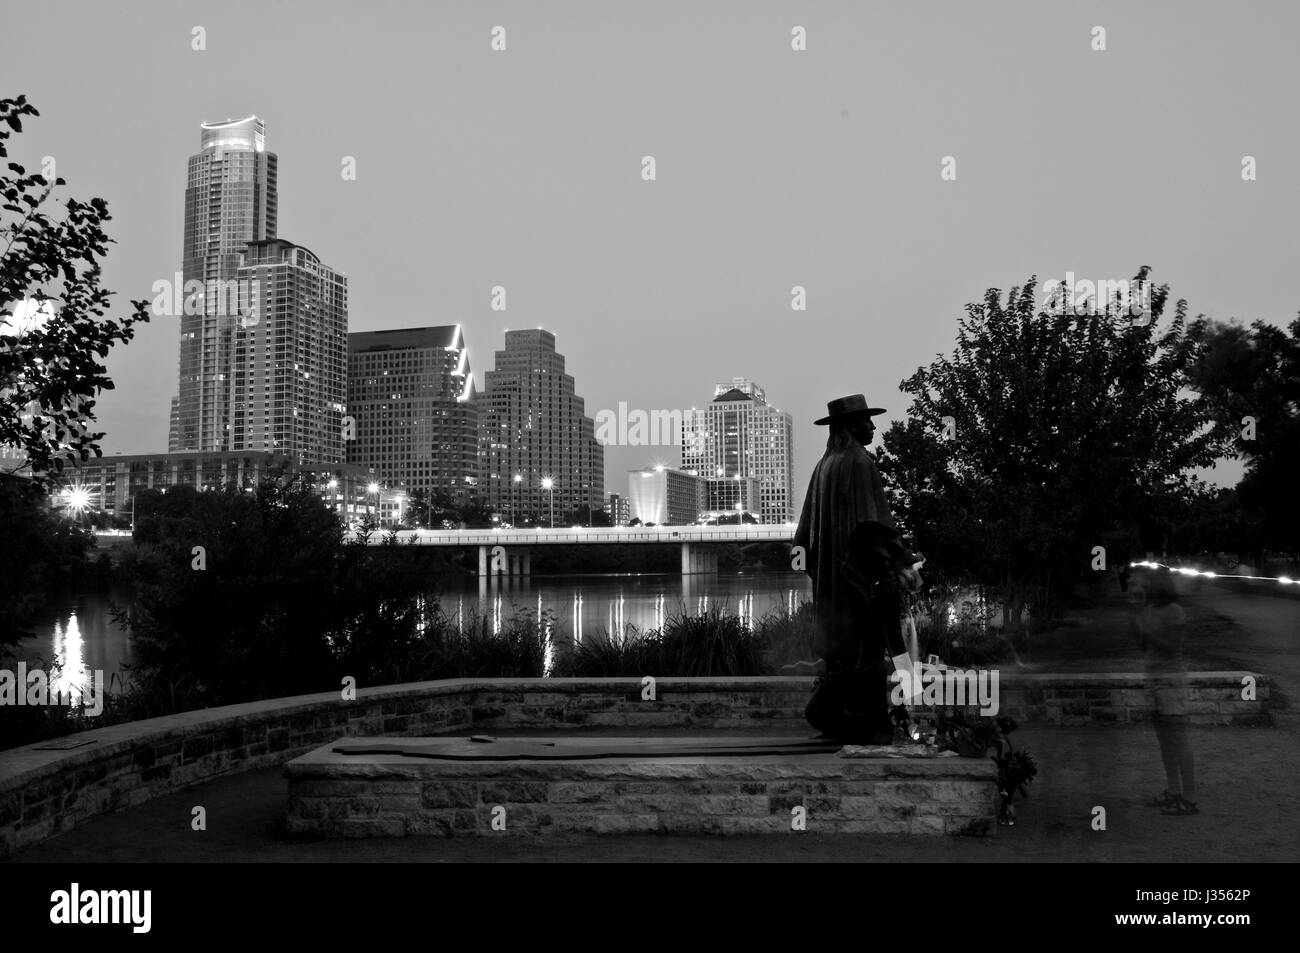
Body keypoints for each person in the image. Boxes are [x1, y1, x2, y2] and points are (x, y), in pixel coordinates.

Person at [793, 394, 921, 744]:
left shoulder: (823, 467)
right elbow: (875, 527)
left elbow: (802, 539)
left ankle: (837, 720)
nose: (873, 427)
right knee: (868, 652)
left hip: (833, 588)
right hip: (861, 584)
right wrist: (900, 566)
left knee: (843, 653)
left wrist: (826, 578)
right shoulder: (860, 463)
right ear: (851, 426)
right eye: (867, 421)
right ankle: (867, 723)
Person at [1134, 567, 1197, 815]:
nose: (1142, 587)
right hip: (1154, 680)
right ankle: (1173, 790)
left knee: (1178, 740)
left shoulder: (1175, 612)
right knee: (1164, 741)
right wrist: (1137, 627)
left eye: (1146, 582)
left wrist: (1147, 631)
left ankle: (1189, 797)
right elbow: (1144, 646)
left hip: (1171, 683)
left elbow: (1173, 647)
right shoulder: (1150, 610)